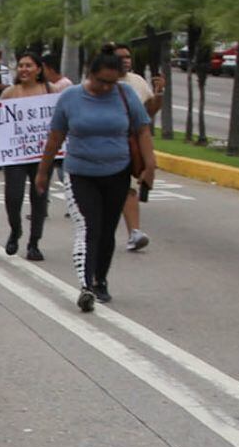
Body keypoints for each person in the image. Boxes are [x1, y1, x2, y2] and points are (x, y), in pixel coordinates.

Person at [39, 51, 155, 312]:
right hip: (80, 172)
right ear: (90, 73)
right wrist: (43, 172)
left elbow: (142, 130)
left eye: (111, 83)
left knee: (106, 231)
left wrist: (150, 165)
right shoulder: (71, 97)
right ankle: (86, 286)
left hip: (117, 172)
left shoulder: (125, 95)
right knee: (88, 228)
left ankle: (100, 279)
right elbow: (55, 137)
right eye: (102, 81)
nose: (106, 87)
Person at [0, 52, 58, 260]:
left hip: (42, 154)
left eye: (29, 66)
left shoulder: (50, 91)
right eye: (21, 66)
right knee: (13, 196)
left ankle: (34, 242)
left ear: (38, 69)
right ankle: (15, 230)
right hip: (16, 155)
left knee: (39, 197)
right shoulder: (10, 93)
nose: (24, 69)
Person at [110, 42, 163, 252]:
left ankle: (134, 232)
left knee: (128, 186)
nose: (125, 60)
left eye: (128, 57)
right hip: (104, 145)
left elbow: (148, 113)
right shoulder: (98, 84)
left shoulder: (137, 82)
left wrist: (158, 94)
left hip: (130, 143)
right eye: (120, 56)